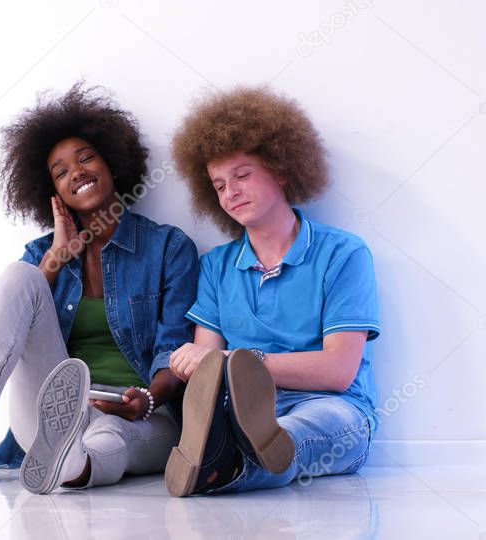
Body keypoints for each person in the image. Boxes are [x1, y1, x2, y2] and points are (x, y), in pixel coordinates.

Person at [0, 83, 198, 494]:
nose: (76, 172)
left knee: (111, 438)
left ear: (112, 162)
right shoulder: (42, 253)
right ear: (52, 192)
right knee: (20, 276)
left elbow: (174, 349)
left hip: (141, 416)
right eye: (60, 172)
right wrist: (56, 258)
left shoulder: (168, 248)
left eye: (85, 158)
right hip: (54, 414)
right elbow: (16, 328)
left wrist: (145, 400)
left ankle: (73, 466)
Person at [163, 86, 381, 497]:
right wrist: (191, 362)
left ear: (282, 169)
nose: (231, 193)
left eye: (242, 175)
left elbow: (338, 371)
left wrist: (242, 361)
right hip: (238, 408)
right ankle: (229, 456)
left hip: (331, 406)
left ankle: (225, 463)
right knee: (229, 416)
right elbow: (208, 368)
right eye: (219, 185)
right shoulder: (215, 267)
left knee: (300, 431)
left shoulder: (343, 254)